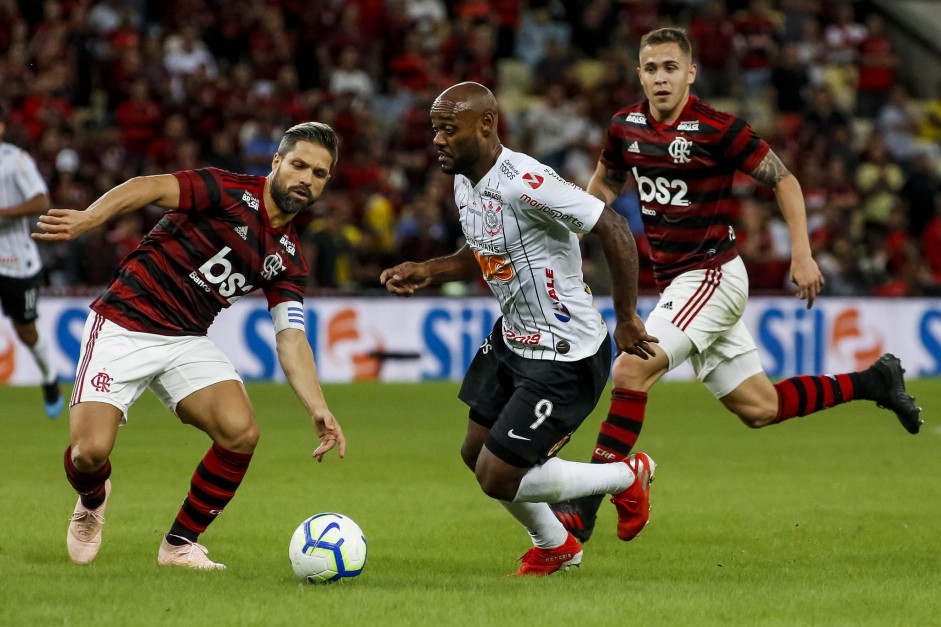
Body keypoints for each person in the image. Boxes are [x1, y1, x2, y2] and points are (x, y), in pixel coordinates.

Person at [549, 27, 924, 543]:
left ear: (690, 73)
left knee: (631, 369)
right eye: (651, 69)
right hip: (680, 285)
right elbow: (607, 182)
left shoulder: (717, 128)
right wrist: (575, 232)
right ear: (639, 74)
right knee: (760, 407)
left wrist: (802, 252)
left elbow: (784, 179)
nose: (661, 78)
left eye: (670, 68)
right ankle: (873, 382)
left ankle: (586, 503)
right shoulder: (625, 126)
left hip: (711, 276)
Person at [33, 122, 346, 569]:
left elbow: (291, 336)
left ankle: (179, 545)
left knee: (241, 434)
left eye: (319, 174)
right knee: (89, 454)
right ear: (277, 162)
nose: (306, 179)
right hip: (125, 322)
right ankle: (91, 498)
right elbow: (148, 186)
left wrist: (317, 406)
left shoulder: (289, 259)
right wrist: (90, 217)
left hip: (185, 340)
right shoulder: (227, 191)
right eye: (299, 165)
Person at [380, 82, 659, 576]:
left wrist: (627, 315)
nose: (438, 141)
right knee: (474, 453)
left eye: (449, 129)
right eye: (435, 130)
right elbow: (483, 253)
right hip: (512, 339)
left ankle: (625, 475)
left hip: (564, 354)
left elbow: (612, 228)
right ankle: (556, 545)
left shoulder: (526, 180)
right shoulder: (465, 182)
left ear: (485, 125)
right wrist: (430, 270)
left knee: (496, 474)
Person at [0, 111, 63, 418]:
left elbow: (41, 203)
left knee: (26, 332)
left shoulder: (15, 161)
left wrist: (2, 213)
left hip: (15, 262)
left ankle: (50, 378)